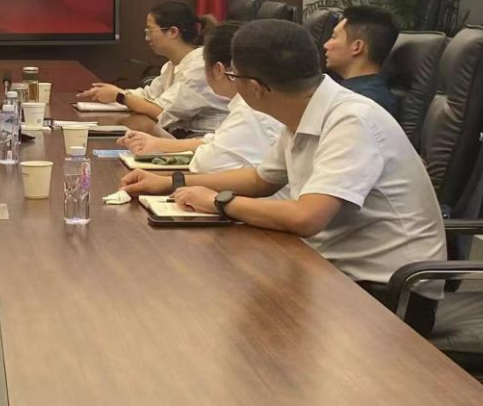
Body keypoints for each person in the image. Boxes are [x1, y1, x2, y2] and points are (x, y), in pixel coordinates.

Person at [120, 19, 446, 336]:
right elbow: (261, 179)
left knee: (220, 316)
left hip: (388, 294)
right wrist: (172, 183)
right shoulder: (302, 110)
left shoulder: (352, 121)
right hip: (332, 271)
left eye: (233, 76)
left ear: (255, 88)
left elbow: (306, 217)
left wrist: (219, 202)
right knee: (214, 305)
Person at [119, 22, 283, 174]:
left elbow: (207, 162)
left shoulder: (250, 109)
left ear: (218, 70)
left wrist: (166, 179)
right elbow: (213, 141)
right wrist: (157, 143)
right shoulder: (253, 101)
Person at [77, 1, 229, 136]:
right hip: (180, 135)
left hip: (203, 139)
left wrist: (120, 96)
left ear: (173, 32)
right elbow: (149, 96)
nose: (147, 38)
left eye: (150, 31)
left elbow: (162, 112)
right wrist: (112, 93)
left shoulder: (200, 65)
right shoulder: (171, 65)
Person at [322, 5, 399, 116]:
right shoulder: (347, 91)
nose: (326, 45)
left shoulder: (366, 103)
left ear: (356, 47)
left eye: (334, 37)